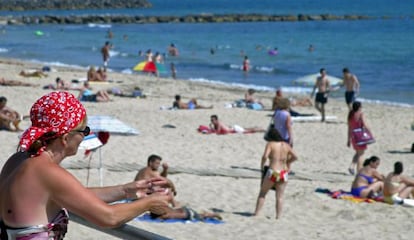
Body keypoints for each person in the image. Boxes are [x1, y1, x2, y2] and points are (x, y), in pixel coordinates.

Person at [0, 91, 171, 239]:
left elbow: (70, 195)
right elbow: (108, 218)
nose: (84, 137)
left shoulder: (18, 160)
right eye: (84, 131)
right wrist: (148, 203)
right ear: (65, 138)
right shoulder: (47, 172)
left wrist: (126, 190)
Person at [254, 128, 297, 219]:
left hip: (273, 172)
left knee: (263, 193)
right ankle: (278, 217)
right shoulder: (286, 145)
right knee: (280, 196)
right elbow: (295, 157)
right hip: (283, 173)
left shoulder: (270, 144)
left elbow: (265, 156)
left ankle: (257, 214)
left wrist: (262, 166)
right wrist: (287, 162)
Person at [347, 101, 372, 174]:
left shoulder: (350, 115)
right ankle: (359, 170)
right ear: (359, 107)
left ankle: (351, 166)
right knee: (361, 154)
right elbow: (365, 124)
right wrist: (370, 132)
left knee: (358, 152)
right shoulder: (360, 114)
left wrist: (348, 140)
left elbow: (349, 128)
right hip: (360, 135)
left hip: (353, 135)